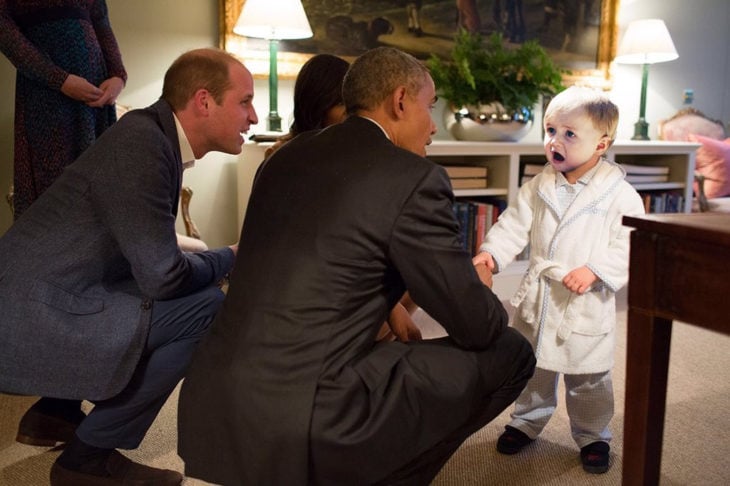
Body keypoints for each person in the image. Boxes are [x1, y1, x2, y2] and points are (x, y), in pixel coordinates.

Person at [178, 46, 536, 485]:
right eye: (431, 106)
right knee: (512, 351)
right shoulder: (414, 179)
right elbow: (477, 326)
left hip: (212, 400)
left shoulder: (282, 158)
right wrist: (478, 287)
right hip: (307, 415)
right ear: (401, 100)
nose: (434, 125)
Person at [0, 47, 258, 485]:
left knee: (173, 297)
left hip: (44, 292)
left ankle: (54, 413)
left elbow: (144, 254)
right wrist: (231, 256)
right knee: (207, 308)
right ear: (203, 101)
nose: (252, 118)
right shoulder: (144, 145)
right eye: (245, 101)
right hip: (32, 312)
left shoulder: (149, 135)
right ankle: (87, 459)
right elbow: (164, 277)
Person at [473, 86, 645, 474]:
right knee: (534, 366)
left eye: (570, 134)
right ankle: (526, 421)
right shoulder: (538, 186)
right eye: (551, 130)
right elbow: (512, 224)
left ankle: (594, 434)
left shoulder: (619, 195)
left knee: (589, 377)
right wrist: (492, 254)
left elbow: (629, 241)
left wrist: (597, 270)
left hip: (585, 300)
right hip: (542, 295)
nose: (555, 141)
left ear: (601, 145)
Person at [265, 52, 420, 342]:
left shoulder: (349, 154)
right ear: (319, 106)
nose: (353, 116)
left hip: (335, 275)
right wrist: (388, 306)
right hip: (305, 286)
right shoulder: (290, 158)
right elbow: (323, 254)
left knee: (411, 272)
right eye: (344, 106)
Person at [0, 0, 127, 219]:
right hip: (47, 99)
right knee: (54, 191)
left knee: (100, 189)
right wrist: (59, 80)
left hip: (96, 101)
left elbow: (101, 22)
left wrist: (118, 76)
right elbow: (4, 31)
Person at [264, 53, 350, 158]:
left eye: (353, 102)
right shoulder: (280, 154)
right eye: (341, 103)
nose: (351, 112)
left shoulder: (357, 151)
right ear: (317, 105)